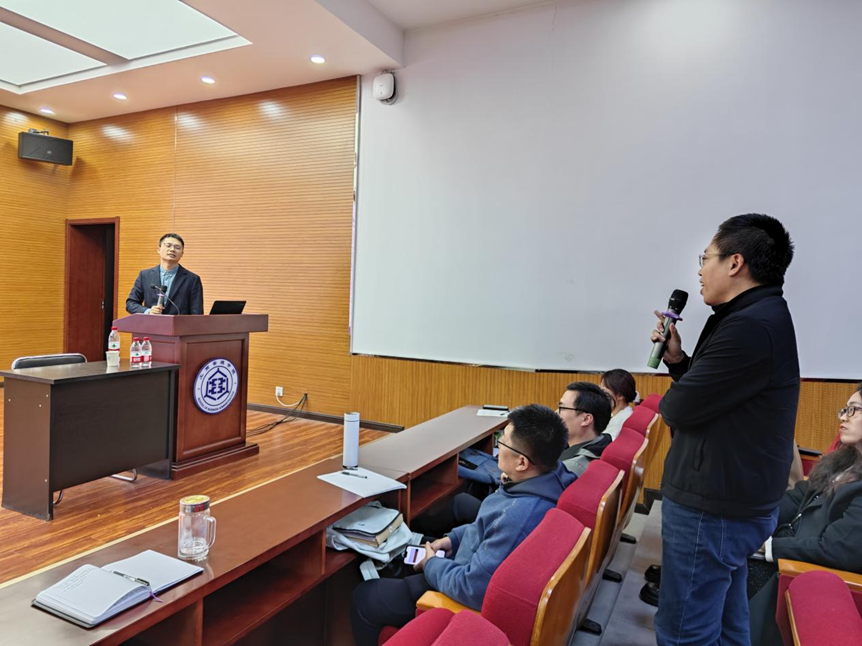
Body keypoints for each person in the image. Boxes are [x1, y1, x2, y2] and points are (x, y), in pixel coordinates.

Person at [651, 213, 799, 645]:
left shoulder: (750, 326)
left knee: (685, 633)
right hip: (731, 501)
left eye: (706, 258)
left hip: (714, 506)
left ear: (735, 263)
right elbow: (711, 398)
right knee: (728, 625)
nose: (700, 270)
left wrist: (680, 387)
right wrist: (678, 361)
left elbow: (677, 408)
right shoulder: (752, 313)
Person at [350, 404, 573, 646]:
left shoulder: (517, 517)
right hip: (464, 562)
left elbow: (471, 588)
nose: (498, 448)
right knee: (409, 552)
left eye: (503, 442)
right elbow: (487, 528)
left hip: (458, 589)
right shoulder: (548, 477)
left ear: (522, 463)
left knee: (365, 598)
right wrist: (453, 539)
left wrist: (432, 564)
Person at [748, 383, 862, 644]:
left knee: (726, 569)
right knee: (723, 551)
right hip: (793, 548)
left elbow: (835, 550)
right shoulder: (843, 461)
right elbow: (797, 496)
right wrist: (754, 525)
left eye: (853, 410)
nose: (843, 417)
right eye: (844, 409)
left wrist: (769, 546)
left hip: (805, 569)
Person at [125, 233, 203, 316]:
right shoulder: (145, 275)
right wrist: (148, 311)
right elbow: (131, 303)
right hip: (151, 323)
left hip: (179, 324)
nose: (172, 249)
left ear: (182, 253)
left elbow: (197, 313)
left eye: (177, 247)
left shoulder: (192, 279)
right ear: (159, 249)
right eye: (168, 245)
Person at [557, 381, 613, 476]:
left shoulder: (569, 469)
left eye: (562, 408)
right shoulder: (602, 441)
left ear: (586, 419)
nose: (556, 413)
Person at [599, 369, 637, 440]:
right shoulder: (623, 413)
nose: (599, 394)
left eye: (604, 391)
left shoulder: (618, 424)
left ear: (620, 396)